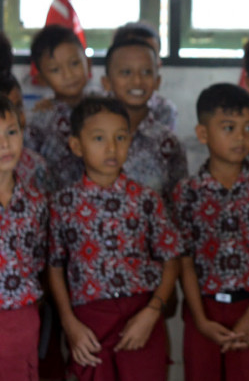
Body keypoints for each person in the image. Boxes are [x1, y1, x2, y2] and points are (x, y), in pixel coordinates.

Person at [47, 96, 181, 380]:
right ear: (76, 145)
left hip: (141, 314)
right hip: (90, 321)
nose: (112, 148)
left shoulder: (146, 199)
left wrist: (152, 311)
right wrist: (69, 324)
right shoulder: (62, 204)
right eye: (98, 138)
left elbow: (170, 258)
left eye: (121, 137)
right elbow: (55, 267)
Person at [174, 83, 249, 381]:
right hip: (203, 309)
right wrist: (200, 320)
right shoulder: (187, 192)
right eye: (228, 128)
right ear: (203, 134)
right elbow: (183, 261)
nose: (241, 137)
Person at [102, 38, 188, 203]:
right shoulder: (90, 136)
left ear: (157, 82)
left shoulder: (168, 143)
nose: (137, 81)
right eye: (126, 72)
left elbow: (178, 203)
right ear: (107, 82)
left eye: (147, 72)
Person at [0, 94, 48, 381]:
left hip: (21, 317)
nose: (4, 144)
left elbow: (39, 263)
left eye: (11, 132)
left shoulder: (36, 201)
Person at [25, 25, 89, 188]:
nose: (68, 75)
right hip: (55, 201)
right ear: (42, 79)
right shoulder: (40, 119)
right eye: (55, 70)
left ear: (88, 63)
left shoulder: (105, 107)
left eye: (74, 63)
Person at [112, 22, 178, 132]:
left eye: (151, 54)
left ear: (159, 63)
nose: (137, 80)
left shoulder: (165, 110)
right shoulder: (94, 105)